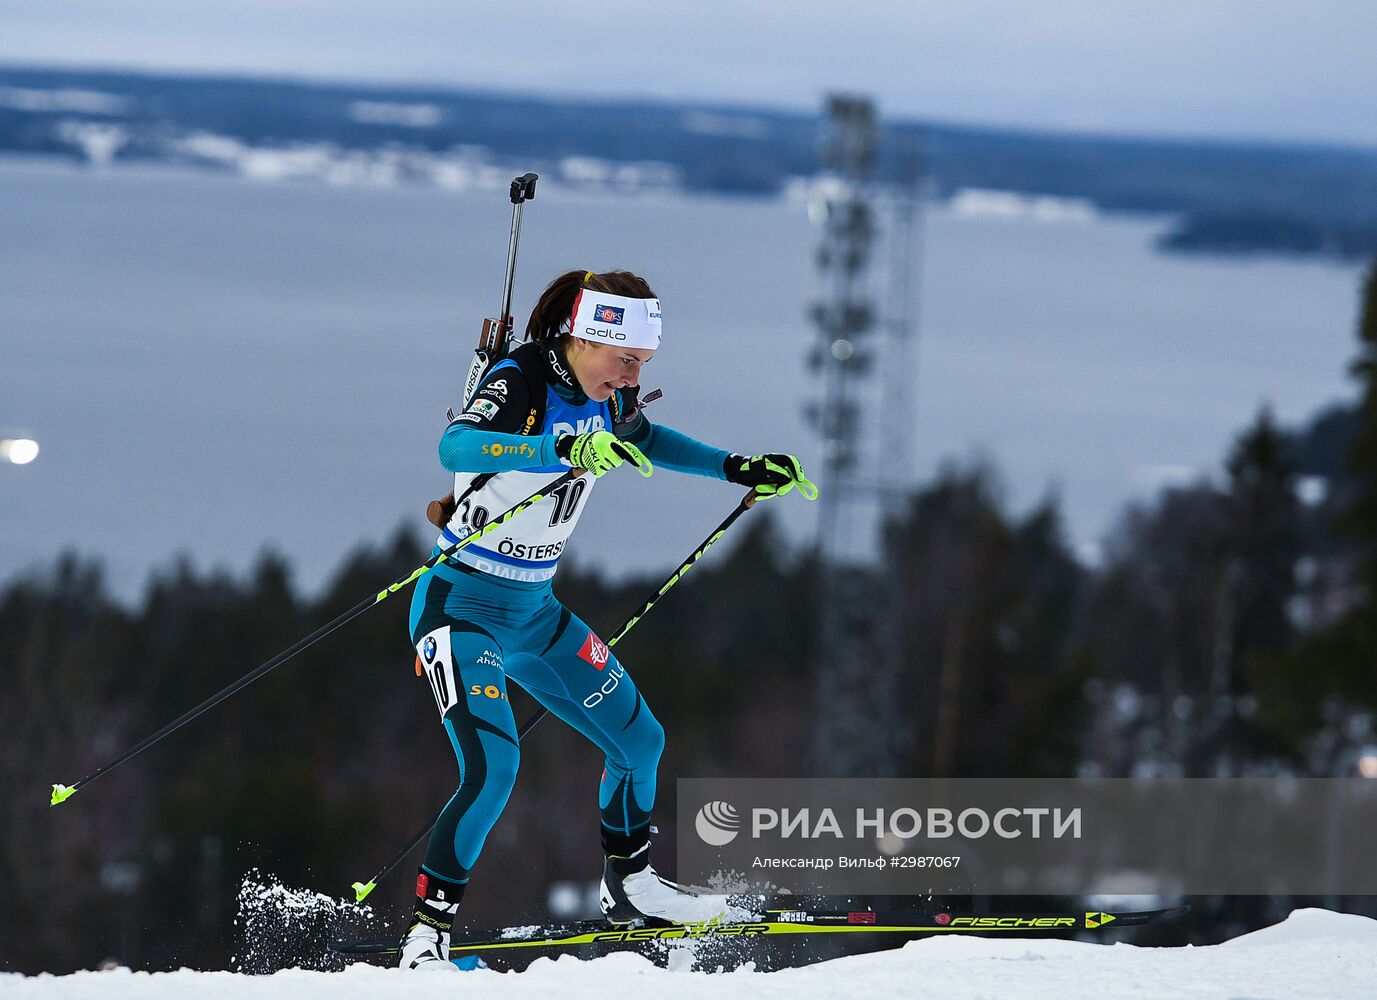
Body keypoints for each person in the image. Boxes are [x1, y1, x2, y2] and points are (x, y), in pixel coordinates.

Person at [400, 269, 814, 970]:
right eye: (624, 359)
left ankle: (632, 887)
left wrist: (739, 467)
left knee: (639, 740)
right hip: (460, 607)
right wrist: (559, 449)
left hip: (534, 614)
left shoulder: (609, 393)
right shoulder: (523, 376)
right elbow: (456, 447)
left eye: (642, 365)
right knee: (495, 766)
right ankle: (426, 936)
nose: (631, 375)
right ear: (583, 337)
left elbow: (646, 439)